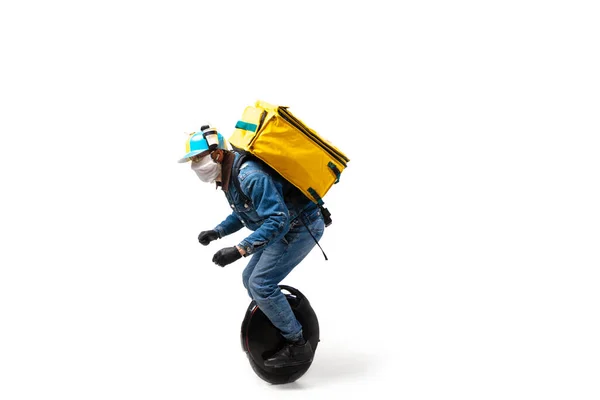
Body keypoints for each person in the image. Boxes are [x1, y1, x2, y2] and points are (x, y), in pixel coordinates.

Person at [178, 126, 325, 368]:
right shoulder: (229, 175)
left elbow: (278, 220)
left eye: (197, 158)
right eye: (192, 160)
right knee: (249, 279)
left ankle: (298, 345)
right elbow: (246, 212)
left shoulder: (250, 176)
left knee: (261, 284)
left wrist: (239, 250)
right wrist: (218, 231)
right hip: (284, 226)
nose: (195, 165)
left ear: (217, 154)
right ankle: (282, 318)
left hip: (300, 227)